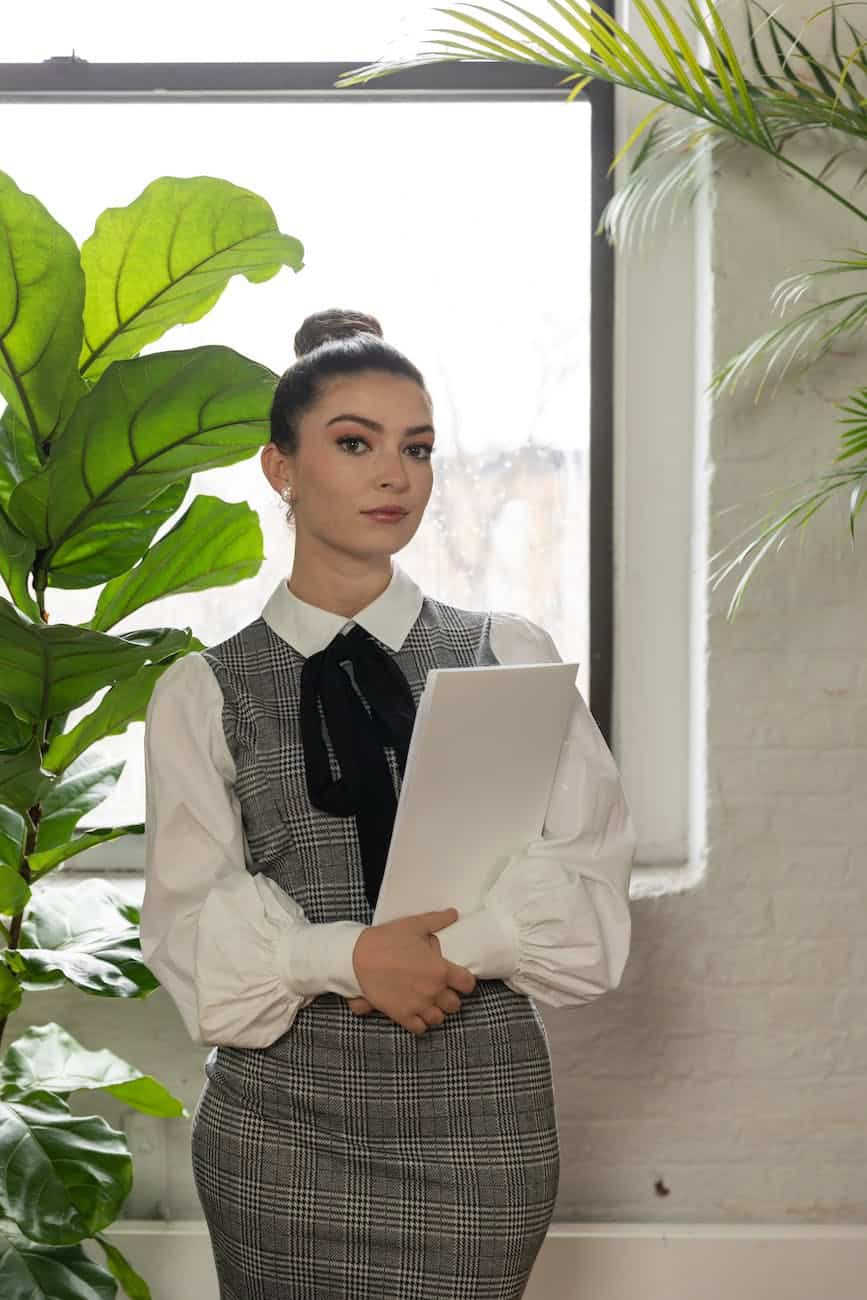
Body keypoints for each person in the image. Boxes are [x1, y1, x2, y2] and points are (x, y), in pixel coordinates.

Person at [140, 307, 637, 1300]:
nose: (394, 474)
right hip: (281, 1139)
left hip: (480, 1131)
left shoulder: (509, 653)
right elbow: (188, 930)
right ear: (281, 467)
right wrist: (346, 955)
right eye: (355, 442)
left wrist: (453, 949)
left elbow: (589, 890)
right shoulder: (202, 689)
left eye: (417, 448)